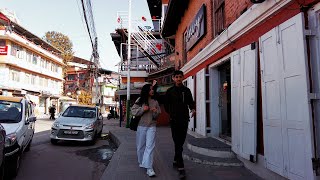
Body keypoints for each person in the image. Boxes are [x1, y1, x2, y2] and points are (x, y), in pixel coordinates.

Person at [164, 70, 196, 179]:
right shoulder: (169, 91)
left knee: (180, 142)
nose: (178, 79)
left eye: (180, 77)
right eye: (176, 77)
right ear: (173, 78)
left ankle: (175, 159)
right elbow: (166, 105)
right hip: (174, 120)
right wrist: (172, 113)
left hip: (184, 120)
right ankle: (181, 167)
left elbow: (190, 102)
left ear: (182, 78)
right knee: (177, 141)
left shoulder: (186, 90)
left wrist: (193, 109)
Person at [131, 83, 161, 177]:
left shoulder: (155, 101)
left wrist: (156, 112)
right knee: (140, 146)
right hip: (141, 125)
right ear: (146, 90)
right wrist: (143, 109)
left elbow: (157, 114)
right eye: (151, 89)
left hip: (152, 126)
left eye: (153, 89)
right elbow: (133, 111)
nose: (152, 91)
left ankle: (149, 167)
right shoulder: (140, 100)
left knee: (150, 146)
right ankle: (141, 161)